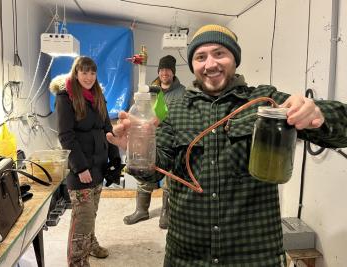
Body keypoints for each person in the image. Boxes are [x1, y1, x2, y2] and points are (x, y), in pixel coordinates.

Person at [107, 24, 347, 266]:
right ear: (193, 65)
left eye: (219, 53)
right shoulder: (174, 110)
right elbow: (156, 171)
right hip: (187, 256)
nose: (210, 64)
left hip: (254, 256)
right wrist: (138, 149)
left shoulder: (266, 102)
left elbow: (342, 131)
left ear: (235, 59)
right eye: (201, 57)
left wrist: (318, 113)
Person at [50, 56, 121, 267]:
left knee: (91, 214)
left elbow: (108, 129)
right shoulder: (66, 98)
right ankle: (77, 261)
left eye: (92, 73)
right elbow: (66, 136)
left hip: (98, 166)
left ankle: (89, 244)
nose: (89, 77)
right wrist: (80, 167)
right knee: (82, 218)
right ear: (76, 73)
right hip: (80, 169)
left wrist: (115, 159)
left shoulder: (98, 95)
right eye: (84, 72)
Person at [123, 55, 185, 229]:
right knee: (144, 173)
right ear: (158, 71)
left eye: (168, 70)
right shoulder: (149, 91)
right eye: (162, 70)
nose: (165, 73)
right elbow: (140, 112)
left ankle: (166, 213)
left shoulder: (182, 92)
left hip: (172, 140)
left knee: (170, 178)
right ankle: (141, 211)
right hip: (149, 139)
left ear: (173, 72)